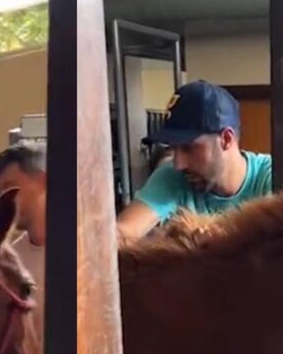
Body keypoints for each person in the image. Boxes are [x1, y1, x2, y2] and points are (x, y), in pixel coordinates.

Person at [115, 79, 273, 242]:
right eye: (174, 148)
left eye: (188, 148)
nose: (178, 164)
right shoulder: (171, 176)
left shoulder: (273, 175)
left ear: (226, 139)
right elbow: (123, 232)